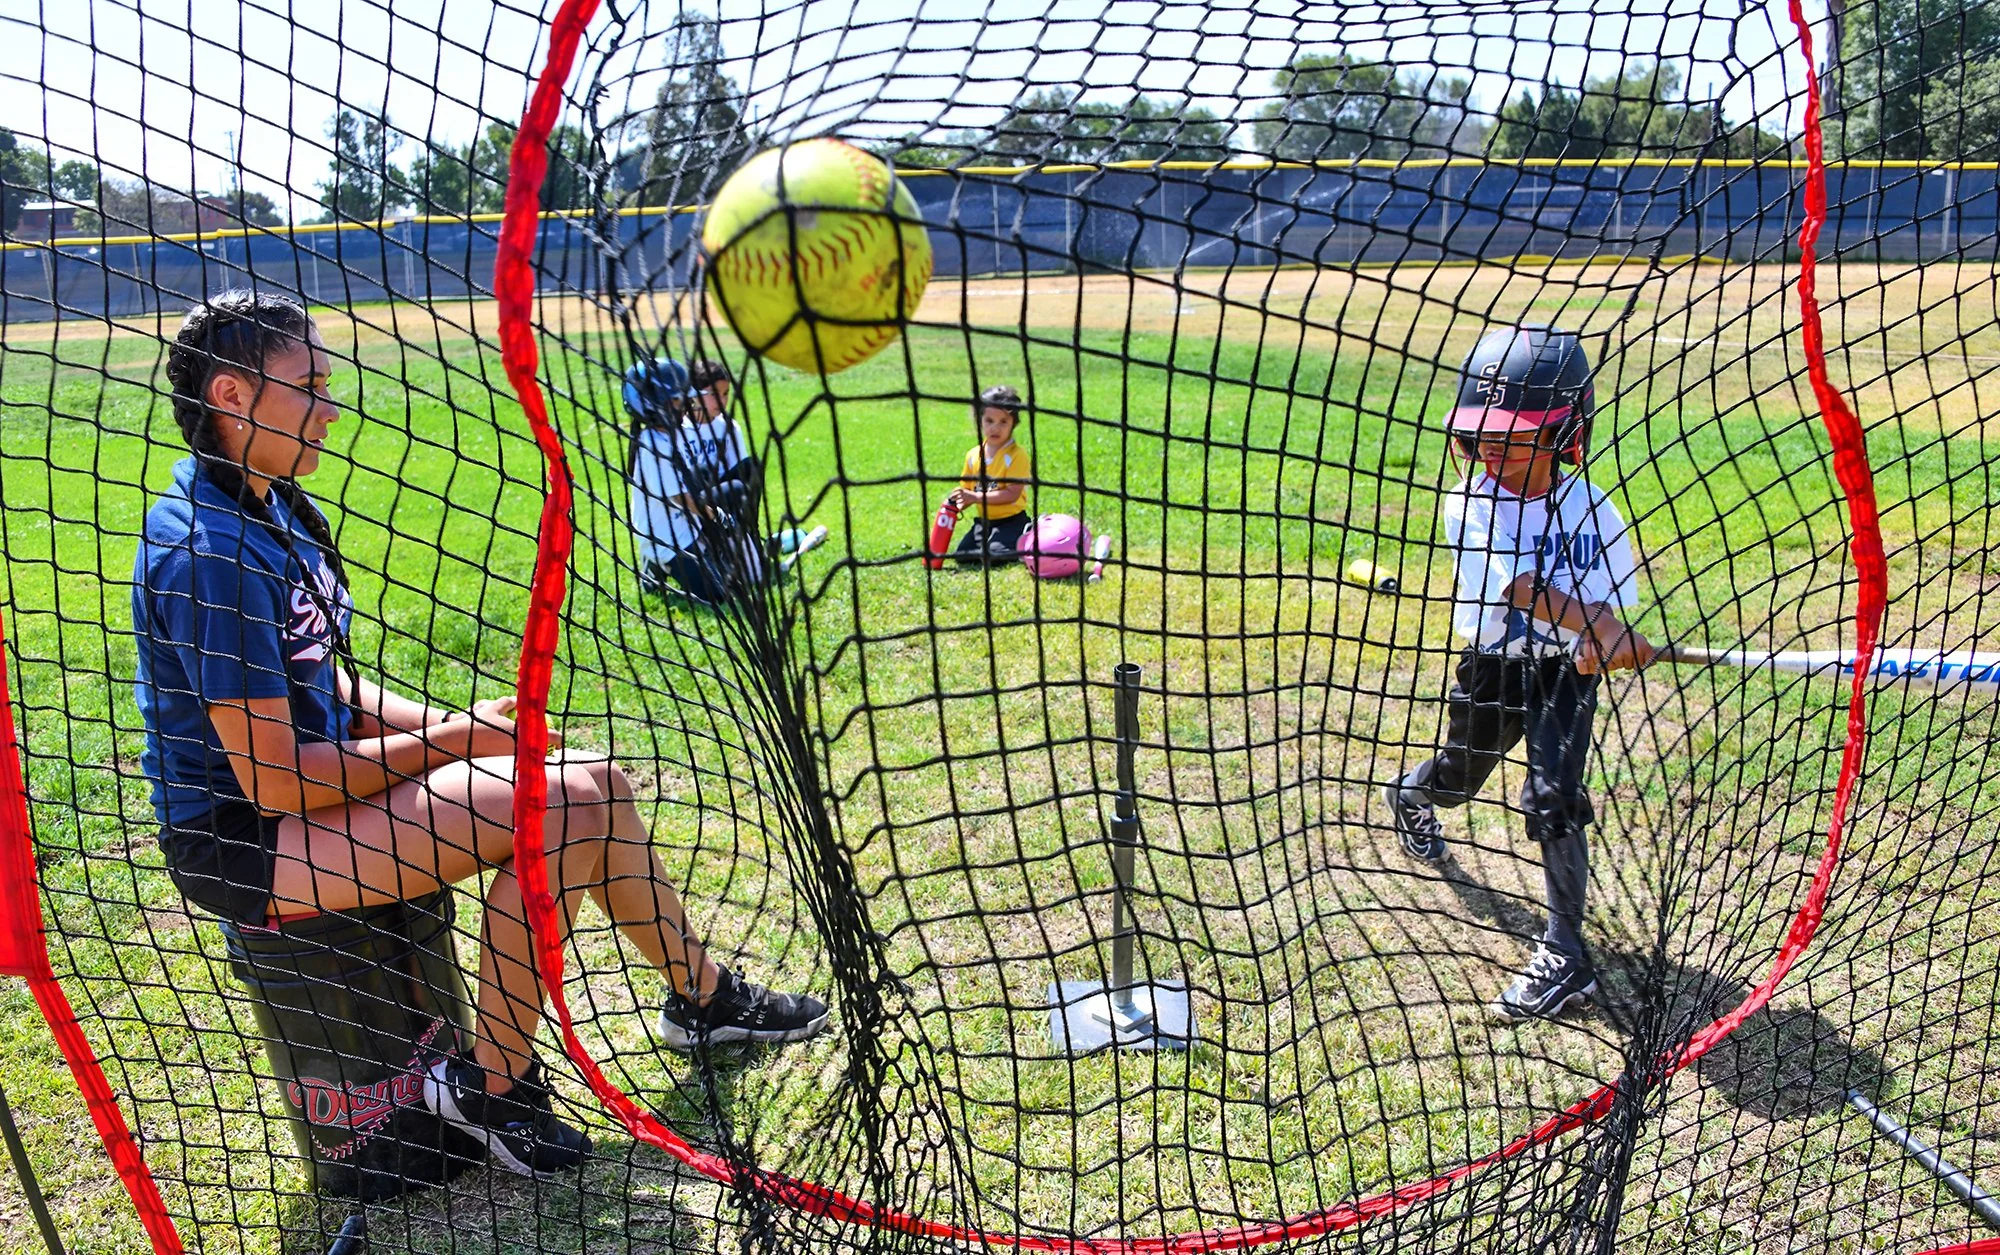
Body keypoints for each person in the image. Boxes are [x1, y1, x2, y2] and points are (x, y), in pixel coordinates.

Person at [134, 292, 827, 1180]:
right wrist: (451, 742)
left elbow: (323, 683)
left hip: (303, 796)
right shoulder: (208, 551)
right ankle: (492, 1092)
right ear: (232, 395)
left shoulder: (271, 504)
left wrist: (457, 729)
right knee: (559, 806)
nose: (332, 408)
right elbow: (275, 780)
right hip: (243, 839)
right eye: (310, 386)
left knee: (599, 781)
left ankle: (704, 999)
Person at [1380, 326, 1655, 1023]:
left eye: (1510, 434)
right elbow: (1520, 589)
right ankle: (1411, 792)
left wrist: (1601, 639)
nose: (1489, 447)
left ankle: (1566, 952)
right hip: (1495, 670)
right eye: (1479, 433)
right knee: (1459, 776)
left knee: (1554, 793)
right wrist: (1597, 626)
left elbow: (1607, 608)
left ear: (1563, 432)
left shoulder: (1596, 508)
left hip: (1563, 675)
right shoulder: (1469, 501)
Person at [626, 356, 781, 607]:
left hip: (690, 528)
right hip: (666, 540)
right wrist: (718, 516)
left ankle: (726, 548)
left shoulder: (677, 433)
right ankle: (656, 564)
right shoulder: (652, 444)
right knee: (719, 596)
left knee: (731, 586)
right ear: (653, 405)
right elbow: (680, 498)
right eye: (676, 400)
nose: (684, 404)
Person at [948, 384, 1033, 565]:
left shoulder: (1017, 455)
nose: (996, 428)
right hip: (983, 523)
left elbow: (1012, 494)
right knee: (963, 556)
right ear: (979, 421)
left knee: (994, 556)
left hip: (1011, 521)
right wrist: (955, 504)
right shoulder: (973, 456)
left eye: (1003, 422)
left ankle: (1026, 536)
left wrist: (975, 497)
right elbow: (967, 491)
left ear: (1013, 423)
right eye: (989, 421)